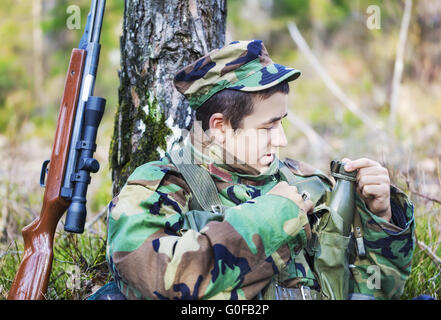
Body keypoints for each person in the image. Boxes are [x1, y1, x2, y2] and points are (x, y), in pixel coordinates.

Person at [102, 40, 415, 300]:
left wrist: (382, 217)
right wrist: (274, 217)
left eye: (282, 122)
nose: (282, 139)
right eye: (268, 127)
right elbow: (158, 280)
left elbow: (374, 290)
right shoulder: (158, 189)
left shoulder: (305, 183)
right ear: (221, 128)